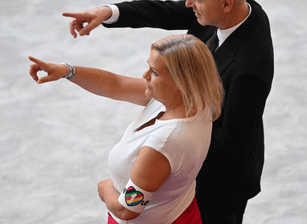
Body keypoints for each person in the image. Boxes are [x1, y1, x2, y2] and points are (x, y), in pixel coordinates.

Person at [61, 0, 274, 223]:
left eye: (154, 72)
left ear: (227, 4)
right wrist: (108, 12)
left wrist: (173, 151)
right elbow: (167, 12)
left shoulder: (248, 71)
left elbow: (233, 144)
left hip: (217, 185)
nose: (188, 2)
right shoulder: (229, 10)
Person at [28, 34, 224, 224]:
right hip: (182, 210)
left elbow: (127, 209)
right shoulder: (197, 99)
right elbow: (116, 84)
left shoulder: (164, 143)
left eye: (154, 72)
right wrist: (66, 70)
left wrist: (106, 190)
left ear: (180, 82)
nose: (144, 75)